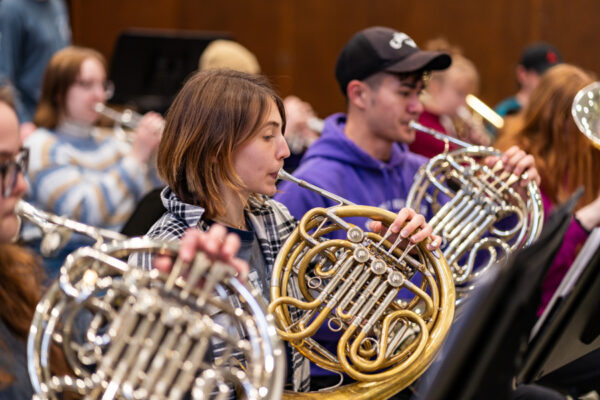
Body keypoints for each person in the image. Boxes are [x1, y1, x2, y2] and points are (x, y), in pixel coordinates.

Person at [137, 67, 441, 394]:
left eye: (281, 134)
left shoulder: (274, 218)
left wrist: (391, 256)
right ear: (215, 147)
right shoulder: (165, 249)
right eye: (268, 136)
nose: (284, 150)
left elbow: (338, 309)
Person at [22, 46, 164, 278]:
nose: (99, 95)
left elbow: (149, 203)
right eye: (86, 85)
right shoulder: (41, 146)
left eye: (102, 85)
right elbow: (82, 212)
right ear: (58, 91)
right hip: (64, 265)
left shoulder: (113, 143)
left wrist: (155, 157)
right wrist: (135, 159)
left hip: (114, 259)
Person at [495, 64, 600, 316]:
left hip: (574, 305)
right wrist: (591, 215)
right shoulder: (517, 168)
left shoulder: (583, 161)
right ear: (558, 119)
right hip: (534, 313)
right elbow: (536, 266)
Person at [410, 38, 491, 158]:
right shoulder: (424, 127)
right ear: (435, 87)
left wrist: (472, 141)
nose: (464, 102)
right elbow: (459, 168)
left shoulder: (446, 121)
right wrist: (478, 154)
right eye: (460, 93)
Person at [0, 0, 71, 138]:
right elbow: (3, 75)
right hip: (30, 121)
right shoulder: (10, 9)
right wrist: (22, 121)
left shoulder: (57, 5)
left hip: (57, 117)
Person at [495, 42, 562, 118]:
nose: (550, 81)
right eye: (543, 75)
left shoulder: (556, 114)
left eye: (554, 77)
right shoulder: (505, 112)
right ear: (522, 74)